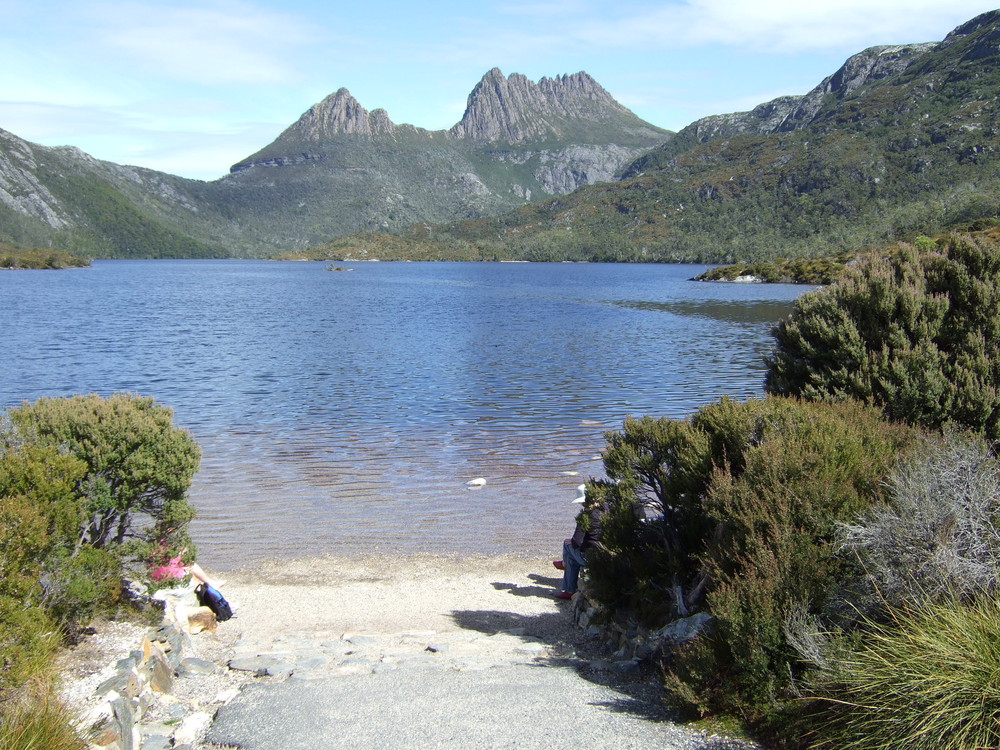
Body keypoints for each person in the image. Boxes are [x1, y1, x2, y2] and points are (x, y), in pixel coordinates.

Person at [552, 484, 603, 600]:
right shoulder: (606, 510)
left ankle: (567, 579)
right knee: (571, 557)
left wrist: (571, 542)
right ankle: (568, 588)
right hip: (605, 554)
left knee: (566, 544)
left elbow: (577, 542)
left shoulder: (586, 516)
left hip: (589, 558)